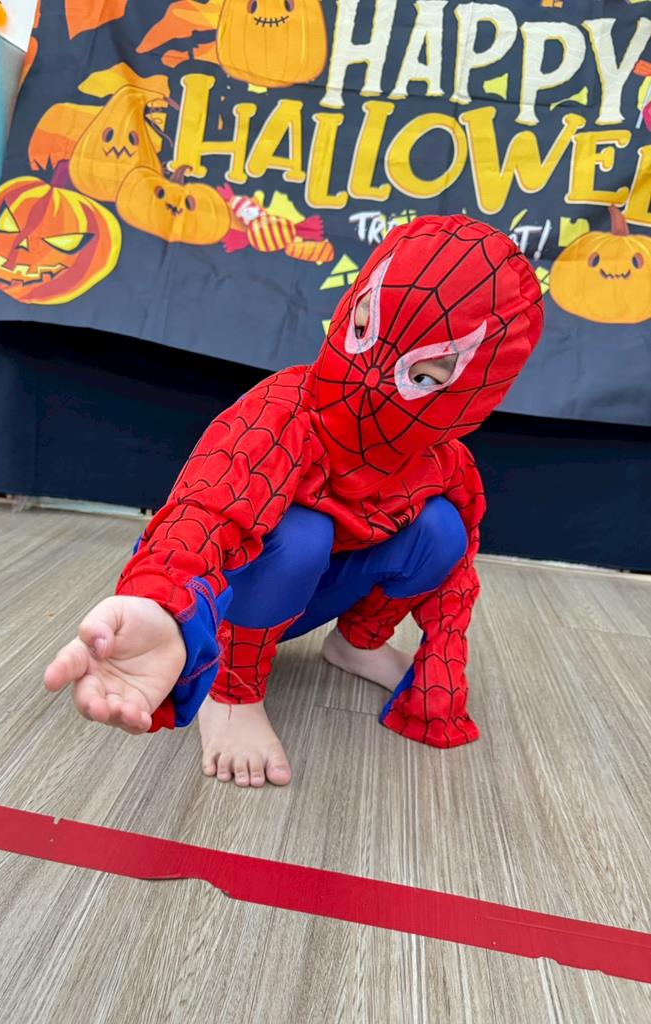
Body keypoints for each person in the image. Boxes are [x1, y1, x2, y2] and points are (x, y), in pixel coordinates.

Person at [44, 214, 544, 788]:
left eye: (425, 377)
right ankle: (230, 691)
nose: (372, 381)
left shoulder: (443, 460)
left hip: (307, 598)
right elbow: (207, 508)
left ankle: (357, 646)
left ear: (474, 394)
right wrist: (162, 603)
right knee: (304, 534)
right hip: (227, 598)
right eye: (363, 330)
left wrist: (441, 660)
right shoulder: (284, 408)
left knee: (443, 530)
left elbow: (457, 568)